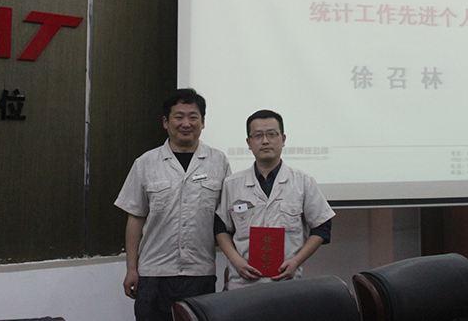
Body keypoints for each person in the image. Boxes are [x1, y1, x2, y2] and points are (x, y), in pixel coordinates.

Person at [114, 88, 231, 321]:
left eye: (193, 117)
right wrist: (131, 269)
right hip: (153, 273)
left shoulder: (219, 162)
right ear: (166, 122)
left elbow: (227, 221)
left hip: (200, 272)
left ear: (203, 122)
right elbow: (135, 218)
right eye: (179, 117)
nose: (186, 123)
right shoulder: (146, 163)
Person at [214, 109, 335, 289]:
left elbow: (322, 227)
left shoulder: (303, 182)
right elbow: (221, 228)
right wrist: (235, 260)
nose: (265, 141)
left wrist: (296, 262)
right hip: (242, 283)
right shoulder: (232, 184)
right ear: (248, 143)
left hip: (286, 281)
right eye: (258, 136)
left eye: (271, 134)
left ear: (283, 139)